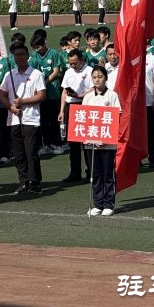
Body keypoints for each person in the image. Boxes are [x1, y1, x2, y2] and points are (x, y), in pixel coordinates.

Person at [0, 43, 46, 195]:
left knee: (30, 151)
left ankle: (35, 181)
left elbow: (41, 95)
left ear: (28, 56)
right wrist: (11, 108)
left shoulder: (36, 74)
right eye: (16, 55)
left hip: (30, 119)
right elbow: (3, 95)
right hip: (13, 119)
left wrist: (23, 101)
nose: (19, 57)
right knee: (18, 153)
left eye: (22, 54)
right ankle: (23, 181)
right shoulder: (9, 75)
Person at [83, 66, 121, 216]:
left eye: (100, 76)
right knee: (95, 173)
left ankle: (108, 204)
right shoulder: (88, 97)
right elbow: (83, 117)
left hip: (107, 144)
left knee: (107, 174)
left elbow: (116, 116)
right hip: (91, 142)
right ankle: (97, 203)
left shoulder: (112, 95)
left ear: (106, 78)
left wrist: (104, 137)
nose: (97, 79)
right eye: (94, 77)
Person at [59, 48, 94, 182]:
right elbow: (64, 92)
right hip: (70, 106)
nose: (73, 66)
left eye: (75, 63)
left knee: (86, 141)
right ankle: (75, 172)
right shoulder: (68, 72)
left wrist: (79, 95)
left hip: (84, 105)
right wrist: (62, 110)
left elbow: (93, 89)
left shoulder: (90, 71)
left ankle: (90, 171)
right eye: (71, 63)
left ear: (81, 60)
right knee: (73, 142)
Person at [30, 34, 64, 157]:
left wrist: (44, 83)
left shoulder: (53, 53)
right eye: (34, 47)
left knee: (54, 120)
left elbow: (56, 72)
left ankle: (58, 144)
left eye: (38, 47)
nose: (37, 50)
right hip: (40, 95)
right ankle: (46, 144)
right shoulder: (33, 56)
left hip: (53, 92)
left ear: (44, 43)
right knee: (43, 120)